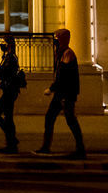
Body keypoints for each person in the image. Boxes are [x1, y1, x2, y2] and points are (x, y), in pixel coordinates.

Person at [35, 28, 86, 159]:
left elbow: (63, 76)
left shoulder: (68, 53)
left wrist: (51, 89)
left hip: (65, 94)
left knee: (70, 120)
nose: (55, 41)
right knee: (51, 118)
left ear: (63, 39)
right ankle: (46, 147)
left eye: (57, 38)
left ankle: (80, 150)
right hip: (61, 93)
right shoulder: (61, 52)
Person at [0, 34, 24, 153]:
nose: (1, 44)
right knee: (7, 117)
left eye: (3, 42)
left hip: (10, 91)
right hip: (9, 90)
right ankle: (12, 141)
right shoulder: (7, 57)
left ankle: (12, 143)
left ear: (9, 44)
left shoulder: (11, 58)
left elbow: (2, 73)